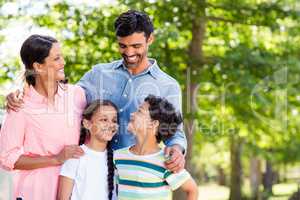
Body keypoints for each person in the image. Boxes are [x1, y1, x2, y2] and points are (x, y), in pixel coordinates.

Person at [6, 10, 187, 173]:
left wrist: (177, 150)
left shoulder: (167, 86)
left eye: (136, 46)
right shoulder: (98, 74)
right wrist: (24, 92)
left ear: (150, 40)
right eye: (123, 46)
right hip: (92, 172)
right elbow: (62, 96)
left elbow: (174, 132)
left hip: (135, 173)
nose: (129, 52)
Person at [0, 35, 86, 200]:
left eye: (62, 56)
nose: (63, 63)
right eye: (56, 58)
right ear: (38, 66)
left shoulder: (77, 95)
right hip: (36, 191)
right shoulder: (20, 106)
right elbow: (7, 158)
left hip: (73, 189)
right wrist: (55, 159)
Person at [114, 95, 198, 200]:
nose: (132, 114)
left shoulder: (167, 161)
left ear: (153, 124)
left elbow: (192, 189)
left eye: (139, 111)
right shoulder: (118, 156)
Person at [57, 100, 118, 200]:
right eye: (104, 120)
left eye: (114, 121)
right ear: (87, 124)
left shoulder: (116, 159)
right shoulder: (75, 155)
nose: (110, 124)